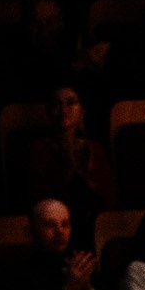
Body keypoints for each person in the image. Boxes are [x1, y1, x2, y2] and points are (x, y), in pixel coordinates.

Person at [21, 86, 116, 215]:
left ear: (82, 111)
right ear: (49, 111)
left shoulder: (95, 148)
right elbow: (34, 198)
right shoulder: (37, 149)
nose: (64, 110)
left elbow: (112, 198)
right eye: (57, 104)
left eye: (70, 103)